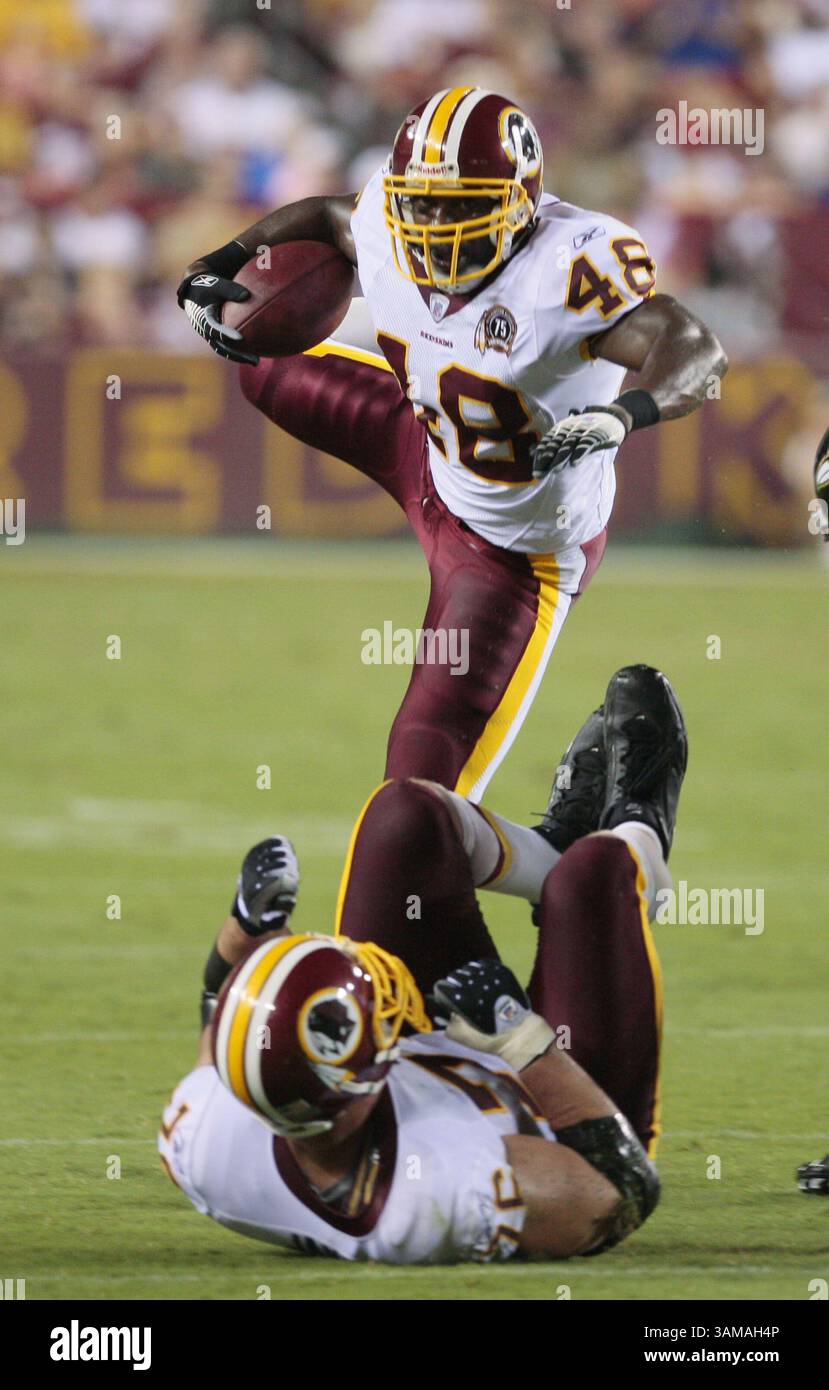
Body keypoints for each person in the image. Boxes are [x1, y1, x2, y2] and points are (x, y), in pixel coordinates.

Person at [176, 85, 726, 801]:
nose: (433, 227)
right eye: (421, 205)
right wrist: (219, 259)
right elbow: (329, 216)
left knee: (415, 806)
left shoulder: (564, 272)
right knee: (261, 357)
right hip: (421, 444)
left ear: (519, 204)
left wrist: (625, 414)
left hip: (511, 553)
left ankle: (602, 832)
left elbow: (695, 347)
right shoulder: (385, 223)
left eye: (458, 206)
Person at [159, 664, 686, 1262]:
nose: (385, 986)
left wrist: (248, 931)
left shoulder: (208, 1143)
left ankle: (547, 854)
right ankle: (641, 828)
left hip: (427, 1063)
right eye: (380, 1013)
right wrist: (520, 1039)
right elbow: (621, 1192)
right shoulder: (444, 1194)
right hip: (571, 1111)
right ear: (366, 1078)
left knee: (404, 815)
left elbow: (224, 1026)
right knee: (591, 877)